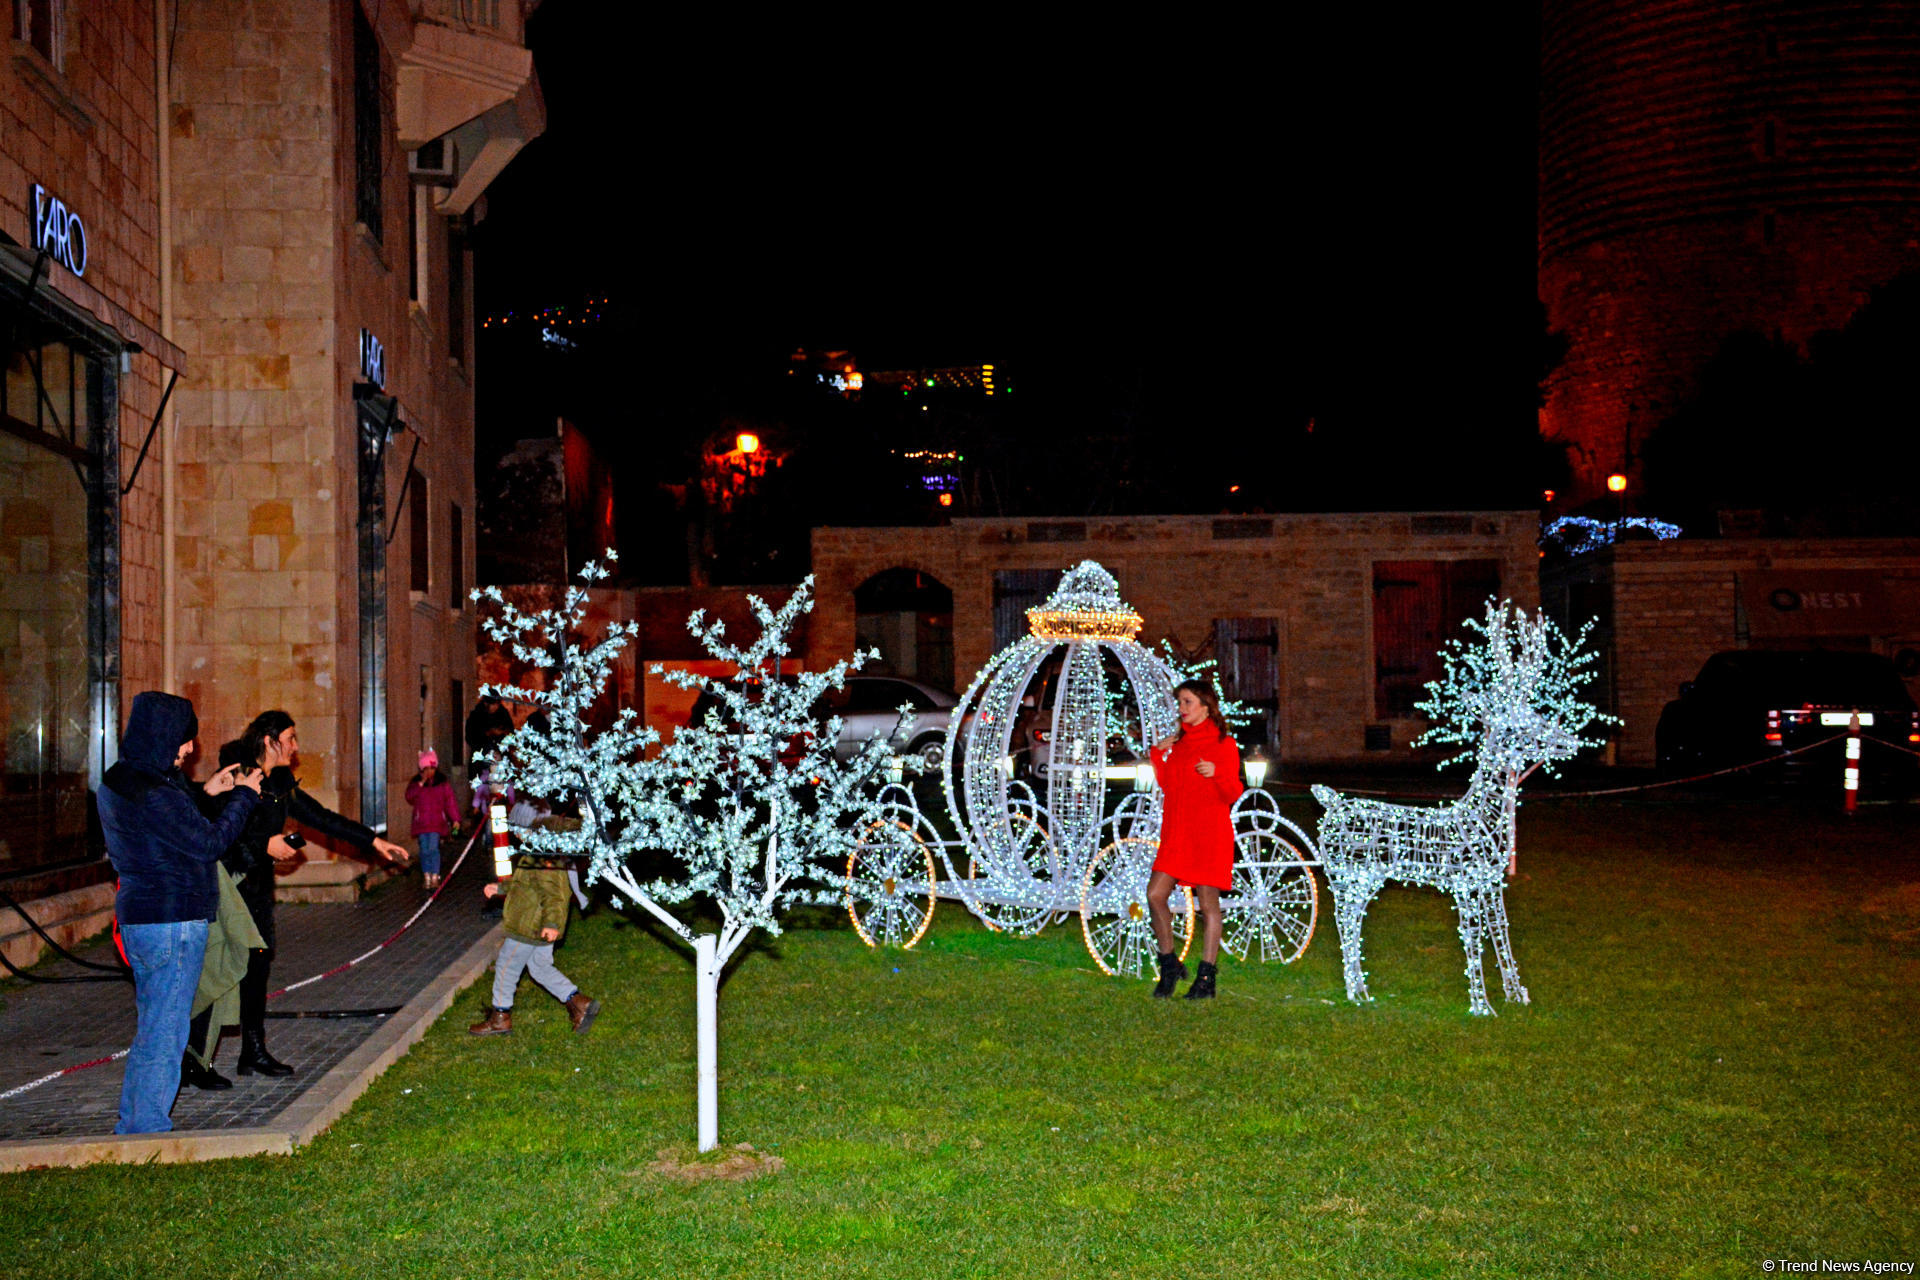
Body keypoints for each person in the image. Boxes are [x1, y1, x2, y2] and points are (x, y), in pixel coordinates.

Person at [189, 709, 411, 1078]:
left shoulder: (280, 782)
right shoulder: (236, 774)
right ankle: (195, 1059)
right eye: (290, 738)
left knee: (257, 965)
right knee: (219, 969)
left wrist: (373, 841)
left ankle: (253, 1051)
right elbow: (220, 831)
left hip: (258, 889)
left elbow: (322, 817)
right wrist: (265, 844)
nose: (295, 746)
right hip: (229, 887)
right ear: (269, 741)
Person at [99, 691, 262, 1133]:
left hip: (143, 918)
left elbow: (170, 827)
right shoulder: (155, 792)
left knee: (154, 1023)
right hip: (171, 921)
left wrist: (207, 792)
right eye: (184, 741)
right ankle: (145, 1127)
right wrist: (244, 797)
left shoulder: (121, 778)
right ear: (164, 737)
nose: (189, 749)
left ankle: (134, 1119)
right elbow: (208, 843)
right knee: (167, 1030)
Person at [1146, 679, 1244, 1000]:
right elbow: (1169, 786)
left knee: (1208, 904)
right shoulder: (1180, 744)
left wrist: (1217, 771)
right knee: (1154, 894)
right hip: (1178, 832)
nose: (1182, 709)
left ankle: (1206, 978)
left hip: (1208, 833)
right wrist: (1159, 754)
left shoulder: (1223, 745)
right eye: (1180, 703)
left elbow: (1232, 792)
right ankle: (1169, 963)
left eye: (1187, 702)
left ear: (1205, 706)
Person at [468, 812, 600, 1038]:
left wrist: (551, 923)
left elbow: (554, 897)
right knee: (540, 968)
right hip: (537, 925)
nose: (525, 835)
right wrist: (499, 889)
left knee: (506, 967)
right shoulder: (539, 857)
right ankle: (578, 1002)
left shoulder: (543, 862)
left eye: (533, 832)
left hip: (529, 927)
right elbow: (522, 884)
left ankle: (500, 1017)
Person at [404, 749, 462, 890]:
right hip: (422, 822)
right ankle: (427, 875)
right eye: (426, 769)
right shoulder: (416, 783)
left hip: (436, 822)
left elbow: (450, 801)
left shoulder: (442, 783)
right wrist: (420, 784)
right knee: (424, 850)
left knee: (433, 848)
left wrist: (455, 819)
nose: (429, 772)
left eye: (432, 768)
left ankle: (435, 875)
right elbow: (409, 796)